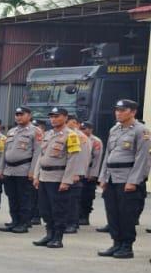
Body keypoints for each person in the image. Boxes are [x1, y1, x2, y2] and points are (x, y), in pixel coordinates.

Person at [30, 106, 88, 249]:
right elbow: (41, 156)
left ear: (65, 118)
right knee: (45, 209)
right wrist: (37, 175)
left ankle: (57, 237)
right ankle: (49, 234)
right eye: (51, 117)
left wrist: (67, 180)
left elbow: (73, 159)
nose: (53, 119)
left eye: (57, 116)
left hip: (58, 177)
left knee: (58, 209)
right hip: (44, 177)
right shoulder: (48, 134)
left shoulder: (71, 135)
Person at [98, 99, 149, 259]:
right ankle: (116, 243)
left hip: (127, 179)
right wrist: (103, 177)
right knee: (113, 213)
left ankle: (127, 246)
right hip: (112, 178)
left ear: (133, 112)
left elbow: (142, 158)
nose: (118, 113)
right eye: (117, 110)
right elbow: (108, 154)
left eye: (122, 110)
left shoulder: (141, 131)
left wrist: (133, 181)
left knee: (127, 215)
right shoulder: (114, 129)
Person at [0, 107, 42, 232]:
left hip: (24, 170)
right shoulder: (11, 131)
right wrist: (1, 169)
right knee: (12, 198)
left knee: (24, 199)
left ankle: (24, 223)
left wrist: (33, 171)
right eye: (17, 115)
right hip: (9, 170)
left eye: (21, 114)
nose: (18, 117)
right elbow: (5, 152)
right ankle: (15, 221)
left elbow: (37, 153)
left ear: (29, 116)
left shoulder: (35, 131)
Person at [77, 120, 104, 231]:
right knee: (77, 196)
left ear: (90, 129)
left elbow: (97, 159)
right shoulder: (77, 138)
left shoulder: (96, 141)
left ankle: (85, 216)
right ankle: (77, 216)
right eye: (81, 129)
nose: (82, 131)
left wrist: (93, 174)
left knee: (87, 196)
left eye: (84, 129)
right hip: (79, 171)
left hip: (89, 171)